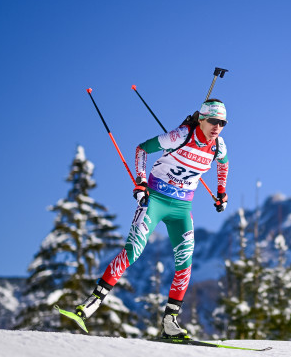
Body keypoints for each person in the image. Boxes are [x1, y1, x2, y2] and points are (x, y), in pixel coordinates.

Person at [72, 99, 229, 339]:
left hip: (181, 208)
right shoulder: (180, 136)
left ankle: (170, 322)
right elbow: (142, 149)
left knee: (185, 264)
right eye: (213, 121)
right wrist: (142, 181)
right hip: (155, 200)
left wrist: (221, 193)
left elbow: (223, 165)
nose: (217, 126)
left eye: (222, 123)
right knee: (133, 250)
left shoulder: (218, 146)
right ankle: (92, 302)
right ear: (201, 119)